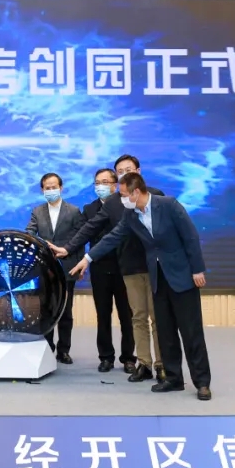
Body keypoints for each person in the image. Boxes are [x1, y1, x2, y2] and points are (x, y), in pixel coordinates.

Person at [67, 172, 212, 401]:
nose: (121, 199)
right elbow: (112, 237)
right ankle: (173, 378)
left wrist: (197, 269)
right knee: (165, 332)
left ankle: (202, 382)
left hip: (182, 276)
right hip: (157, 278)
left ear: (136, 192)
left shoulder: (168, 205)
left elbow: (190, 237)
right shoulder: (131, 214)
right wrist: (87, 259)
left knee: (190, 331)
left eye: (124, 194)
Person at [50, 154, 166, 383]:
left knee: (157, 318)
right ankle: (144, 363)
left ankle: (162, 365)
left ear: (138, 171)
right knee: (137, 318)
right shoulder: (114, 202)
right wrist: (68, 248)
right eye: (120, 171)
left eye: (128, 169)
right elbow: (91, 228)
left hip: (154, 267)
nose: (124, 174)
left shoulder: (157, 196)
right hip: (128, 268)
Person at [80, 168, 137, 373]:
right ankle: (105, 357)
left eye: (105, 182)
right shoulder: (89, 209)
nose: (100, 186)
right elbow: (84, 234)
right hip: (100, 268)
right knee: (103, 315)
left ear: (115, 185)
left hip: (123, 267)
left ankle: (129, 358)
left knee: (127, 315)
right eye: (97, 182)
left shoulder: (125, 205)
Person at [25, 172, 84, 363]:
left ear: (61, 188)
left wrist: (79, 265)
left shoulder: (74, 211)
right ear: (42, 190)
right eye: (47, 188)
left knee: (66, 312)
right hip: (44, 268)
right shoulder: (37, 211)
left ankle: (64, 350)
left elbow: (80, 239)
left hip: (67, 268)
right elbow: (29, 233)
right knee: (46, 310)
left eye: (54, 187)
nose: (51, 190)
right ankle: (47, 346)